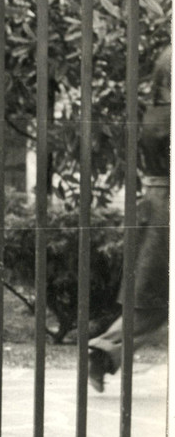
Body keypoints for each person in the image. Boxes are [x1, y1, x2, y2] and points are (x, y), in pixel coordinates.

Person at [89, 45, 170, 392]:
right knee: (153, 301)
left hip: (156, 204)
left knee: (152, 301)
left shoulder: (154, 113)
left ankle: (104, 352)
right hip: (168, 204)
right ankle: (104, 352)